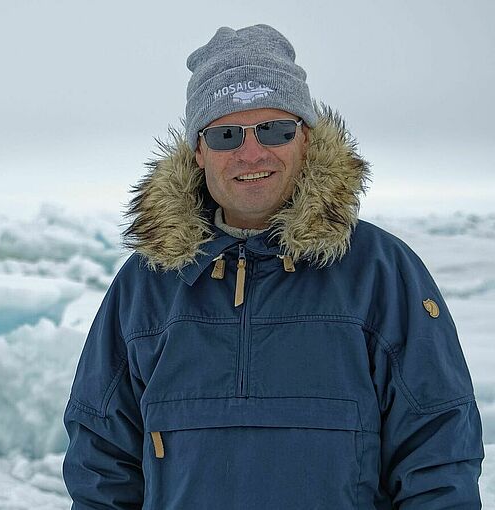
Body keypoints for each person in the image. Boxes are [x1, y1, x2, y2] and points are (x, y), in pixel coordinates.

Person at [62, 24, 485, 509]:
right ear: (198, 152)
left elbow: (438, 451)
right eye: (225, 134)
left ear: (305, 139)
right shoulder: (146, 284)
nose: (251, 152)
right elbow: (101, 465)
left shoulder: (382, 273)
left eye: (274, 129)